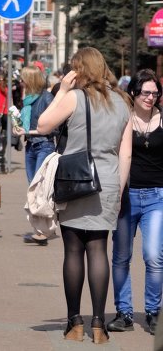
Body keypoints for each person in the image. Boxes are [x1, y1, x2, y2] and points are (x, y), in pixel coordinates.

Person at [36, 47, 132, 343]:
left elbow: (42, 125)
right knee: (98, 249)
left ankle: (75, 322)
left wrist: (62, 90)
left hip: (76, 178)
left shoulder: (75, 98)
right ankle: (100, 324)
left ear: (79, 70)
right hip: (109, 181)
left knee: (74, 250)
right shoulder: (123, 102)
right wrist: (118, 191)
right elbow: (126, 153)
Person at [108, 69, 163, 335]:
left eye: (155, 93)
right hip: (126, 196)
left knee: (154, 256)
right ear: (134, 93)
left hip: (157, 197)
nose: (150, 97)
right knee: (120, 257)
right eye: (146, 92)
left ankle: (153, 312)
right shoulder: (124, 119)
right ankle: (124, 313)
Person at [16, 65, 55, 246]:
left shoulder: (47, 98)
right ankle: (39, 230)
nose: (20, 82)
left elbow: (55, 125)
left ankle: (42, 232)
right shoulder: (29, 99)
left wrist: (30, 131)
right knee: (33, 189)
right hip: (31, 146)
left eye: (23, 79)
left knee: (40, 190)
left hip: (44, 146)